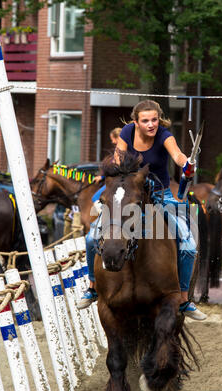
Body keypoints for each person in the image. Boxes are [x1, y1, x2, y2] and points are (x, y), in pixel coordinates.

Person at [77, 102, 207, 321]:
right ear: (135, 121)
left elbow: (177, 155)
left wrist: (187, 164)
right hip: (129, 195)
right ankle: (92, 287)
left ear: (159, 120)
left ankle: (184, 300)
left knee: (189, 246)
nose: (151, 125)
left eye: (154, 120)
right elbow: (119, 161)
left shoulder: (165, 135)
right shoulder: (127, 133)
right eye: (145, 120)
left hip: (160, 195)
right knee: (92, 238)